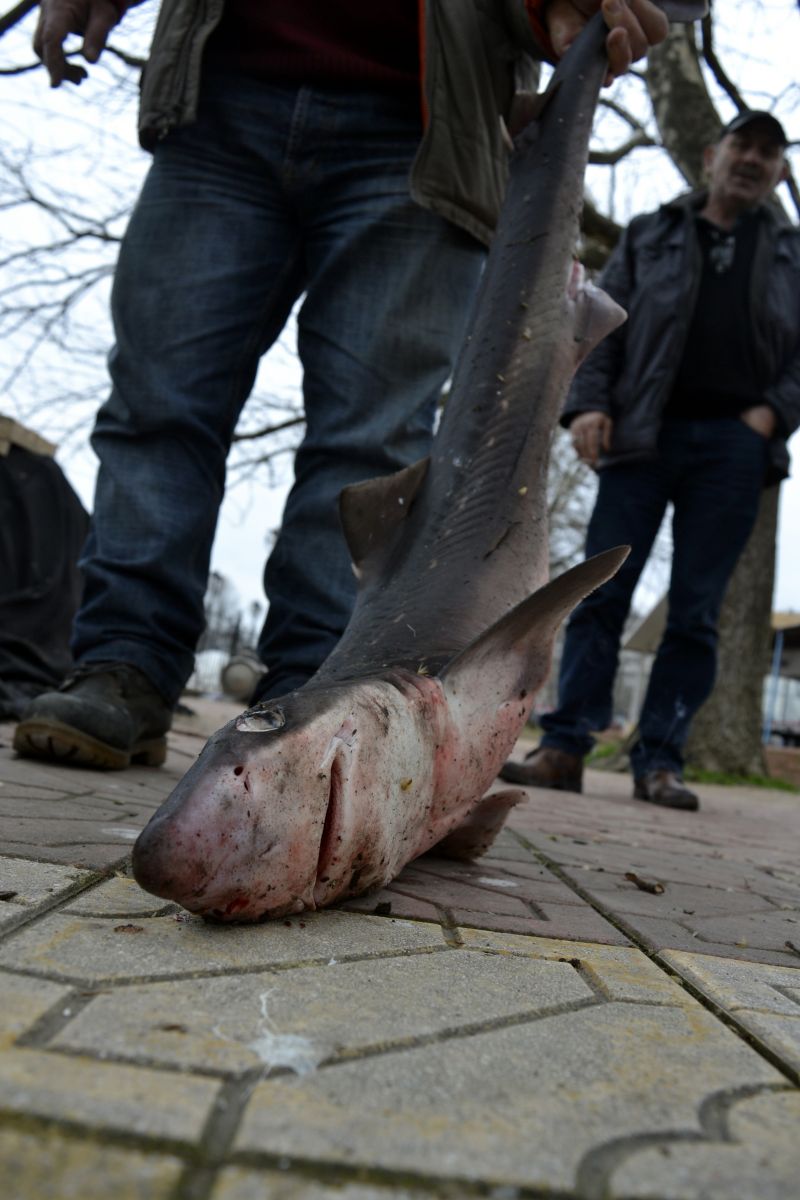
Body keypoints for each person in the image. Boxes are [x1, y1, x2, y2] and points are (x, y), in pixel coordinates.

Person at [14, 0, 668, 770]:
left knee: (370, 441)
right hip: (219, 89)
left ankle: (316, 691)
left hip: (428, 120)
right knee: (158, 402)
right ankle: (124, 660)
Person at [501, 109, 799, 812]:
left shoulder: (793, 254)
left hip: (733, 446)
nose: (753, 159)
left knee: (695, 611)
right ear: (711, 154)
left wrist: (772, 417)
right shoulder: (651, 232)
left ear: (780, 171)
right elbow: (598, 318)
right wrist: (589, 407)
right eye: (742, 145)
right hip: (640, 436)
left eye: (768, 151)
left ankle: (661, 760)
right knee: (598, 590)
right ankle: (565, 744)